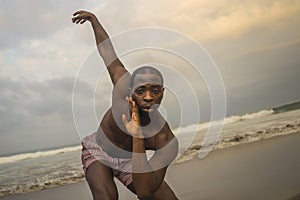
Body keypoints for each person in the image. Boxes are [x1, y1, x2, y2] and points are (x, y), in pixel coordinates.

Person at [72, 10, 179, 200]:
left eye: (155, 90)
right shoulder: (122, 83)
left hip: (133, 159)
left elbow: (146, 193)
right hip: (99, 151)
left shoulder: (164, 139)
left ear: (163, 93)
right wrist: (94, 21)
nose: (148, 97)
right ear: (130, 91)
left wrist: (138, 137)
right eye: (140, 91)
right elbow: (107, 51)